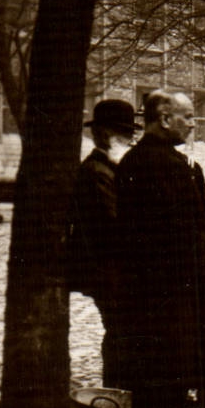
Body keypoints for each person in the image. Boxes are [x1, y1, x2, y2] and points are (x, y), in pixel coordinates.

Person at [112, 90, 205, 408]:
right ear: (164, 118)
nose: (195, 123)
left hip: (149, 286)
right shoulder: (168, 166)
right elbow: (187, 231)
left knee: (157, 371)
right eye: (189, 116)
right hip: (173, 287)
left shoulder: (137, 160)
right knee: (170, 370)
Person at [67, 98, 140, 390]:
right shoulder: (97, 171)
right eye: (125, 135)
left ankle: (126, 390)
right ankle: (119, 392)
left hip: (118, 268)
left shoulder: (112, 169)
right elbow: (117, 222)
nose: (131, 141)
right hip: (109, 269)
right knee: (121, 332)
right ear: (106, 136)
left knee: (125, 332)